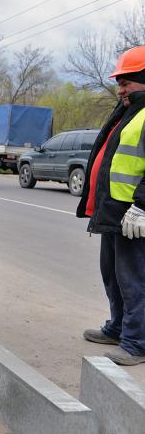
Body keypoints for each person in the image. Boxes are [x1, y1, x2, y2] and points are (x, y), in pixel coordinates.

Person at [78, 46, 145, 366]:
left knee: (135, 280)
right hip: (115, 211)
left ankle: (137, 343)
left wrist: (142, 205)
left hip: (135, 215)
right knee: (114, 275)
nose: (120, 89)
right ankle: (118, 328)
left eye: (127, 82)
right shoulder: (129, 111)